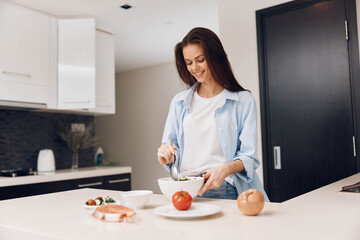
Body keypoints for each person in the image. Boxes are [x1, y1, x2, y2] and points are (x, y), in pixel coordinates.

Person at [157, 27, 269, 201]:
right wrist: (166, 155)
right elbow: (171, 149)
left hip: (223, 188)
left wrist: (225, 170)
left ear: (215, 56)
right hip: (184, 189)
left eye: (200, 60)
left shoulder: (242, 100)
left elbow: (249, 157)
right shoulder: (179, 102)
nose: (194, 68)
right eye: (188, 62)